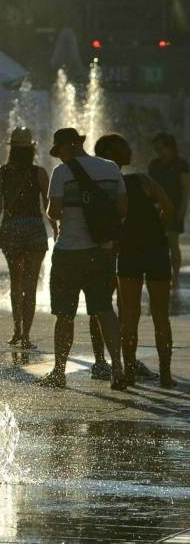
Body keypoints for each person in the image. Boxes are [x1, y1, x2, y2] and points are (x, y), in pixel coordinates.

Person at [39, 128, 128, 390]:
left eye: (60, 151)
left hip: (69, 252)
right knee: (104, 309)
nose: (59, 157)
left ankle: (59, 372)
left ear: (70, 146)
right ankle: (118, 369)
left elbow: (54, 212)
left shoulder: (62, 172)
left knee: (64, 314)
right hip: (101, 251)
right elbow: (123, 209)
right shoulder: (111, 168)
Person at [95, 134, 175, 388]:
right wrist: (155, 229)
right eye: (125, 146)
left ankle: (128, 373)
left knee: (129, 315)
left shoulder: (102, 186)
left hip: (128, 251)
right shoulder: (142, 181)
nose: (130, 148)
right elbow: (169, 210)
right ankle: (165, 375)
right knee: (161, 315)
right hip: (157, 250)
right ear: (111, 153)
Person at [0, 127, 57, 349]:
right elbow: (49, 205)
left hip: (11, 231)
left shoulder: (1, 173)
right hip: (35, 231)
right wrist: (55, 228)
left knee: (15, 284)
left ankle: (16, 330)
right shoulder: (39, 173)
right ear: (31, 149)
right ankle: (26, 335)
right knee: (30, 285)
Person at [148, 132, 189, 292]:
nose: (158, 151)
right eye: (156, 149)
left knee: (173, 242)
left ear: (170, 147)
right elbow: (150, 187)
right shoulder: (154, 164)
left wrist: (183, 209)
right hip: (157, 208)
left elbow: (186, 189)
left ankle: (176, 277)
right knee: (158, 244)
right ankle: (161, 275)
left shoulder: (181, 164)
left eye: (161, 148)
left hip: (175, 206)